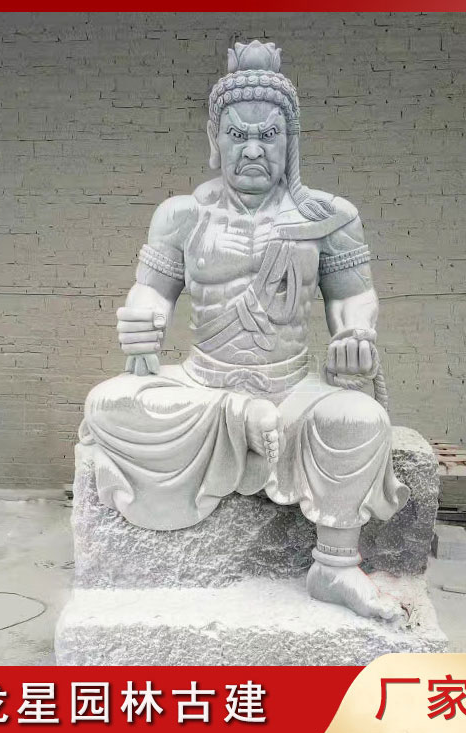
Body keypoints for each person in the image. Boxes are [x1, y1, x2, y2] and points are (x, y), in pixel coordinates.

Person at [79, 40, 410, 620]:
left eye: (269, 135)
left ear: (291, 141)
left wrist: (354, 336)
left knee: (362, 420)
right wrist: (142, 322)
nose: (253, 149)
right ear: (215, 139)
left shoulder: (327, 217)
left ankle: (334, 567)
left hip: (291, 387)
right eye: (237, 134)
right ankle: (237, 416)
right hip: (203, 383)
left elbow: (352, 296)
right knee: (107, 404)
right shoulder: (182, 215)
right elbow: (151, 291)